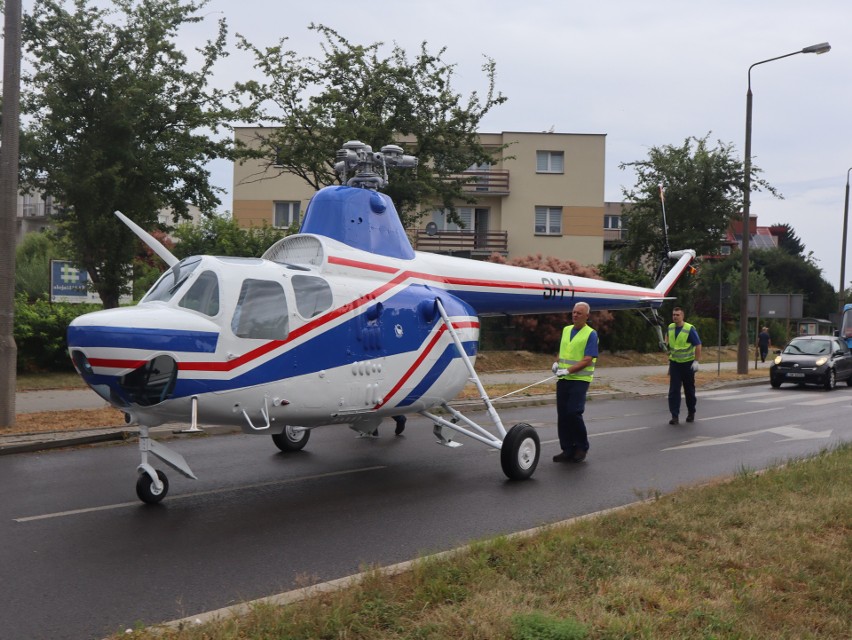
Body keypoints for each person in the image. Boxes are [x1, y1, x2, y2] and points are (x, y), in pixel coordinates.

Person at [552, 301, 598, 463]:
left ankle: (581, 447)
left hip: (580, 379)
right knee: (563, 415)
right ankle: (567, 449)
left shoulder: (590, 334)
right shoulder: (566, 330)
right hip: (563, 379)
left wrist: (569, 370)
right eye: (574, 312)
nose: (575, 315)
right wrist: (557, 363)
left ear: (586, 316)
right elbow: (563, 350)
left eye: (579, 313)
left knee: (573, 412)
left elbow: (587, 359)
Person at [666, 307, 702, 425]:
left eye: (677, 315)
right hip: (675, 364)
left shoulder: (689, 329)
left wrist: (696, 361)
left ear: (682, 316)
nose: (675, 317)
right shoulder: (670, 327)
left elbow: (698, 345)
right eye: (673, 315)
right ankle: (674, 416)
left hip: (687, 364)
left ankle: (691, 412)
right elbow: (668, 343)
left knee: (689, 390)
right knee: (674, 391)